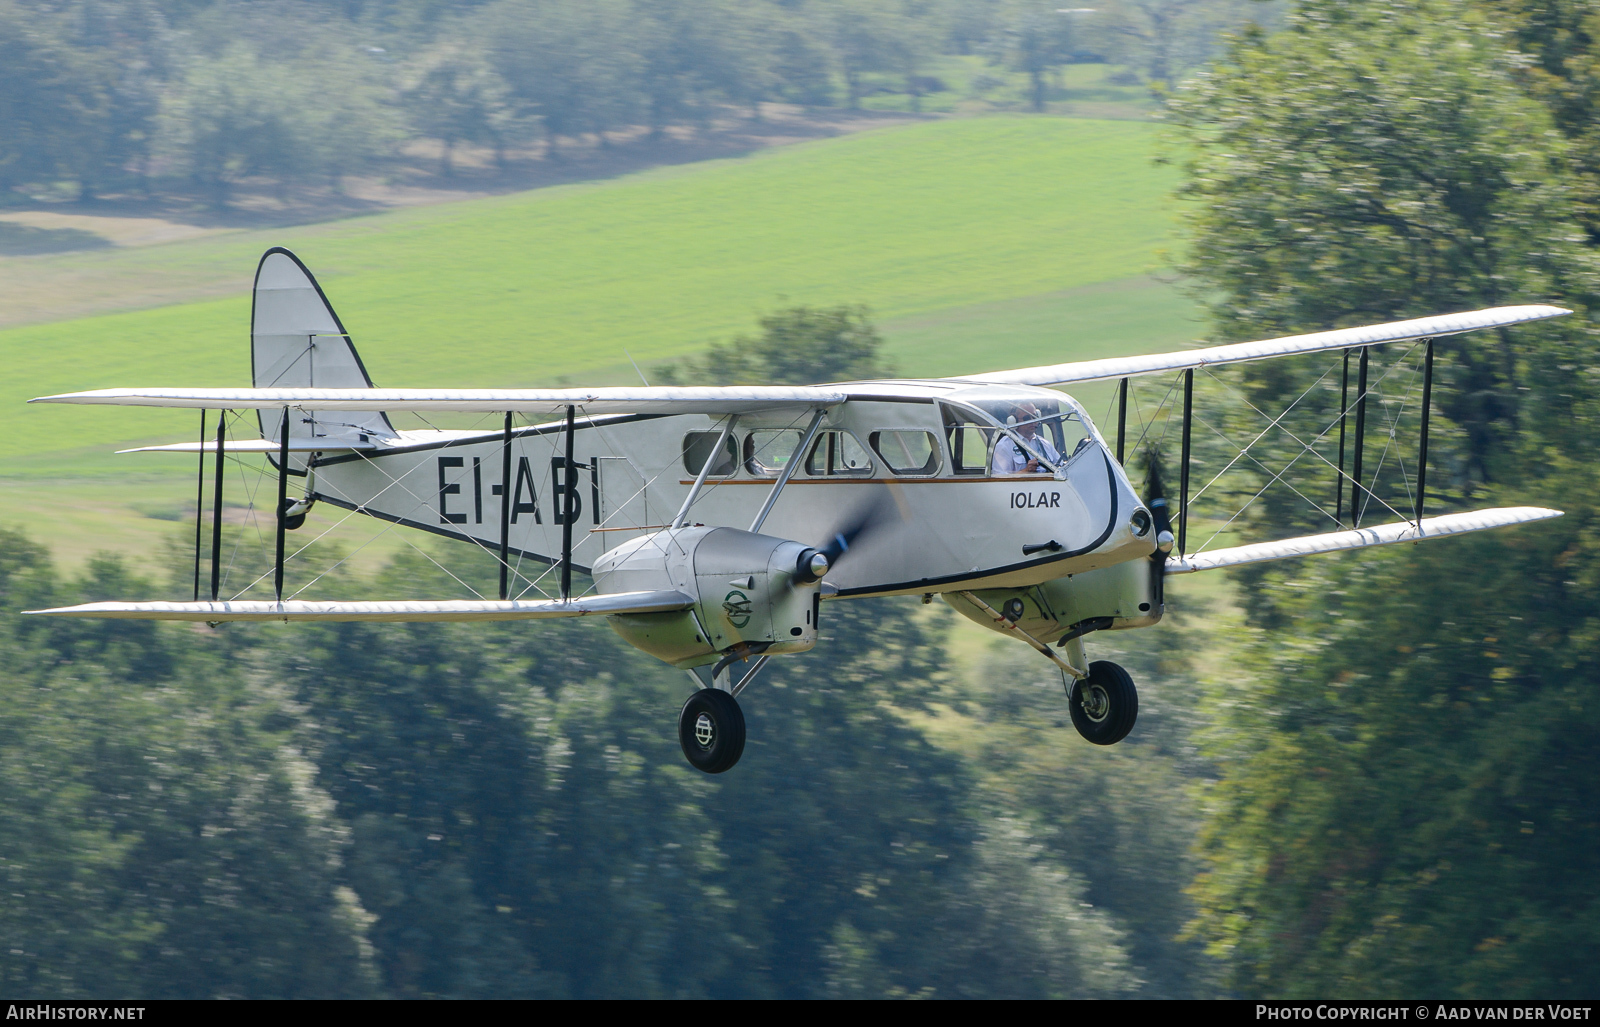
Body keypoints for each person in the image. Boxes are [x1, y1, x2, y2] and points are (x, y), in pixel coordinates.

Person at [991, 403, 1060, 475]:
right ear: (1014, 421)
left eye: (1034, 416)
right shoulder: (1004, 445)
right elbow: (1000, 480)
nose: (1032, 421)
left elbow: (1061, 469)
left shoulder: (1046, 444)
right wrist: (1026, 471)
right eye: (1026, 418)